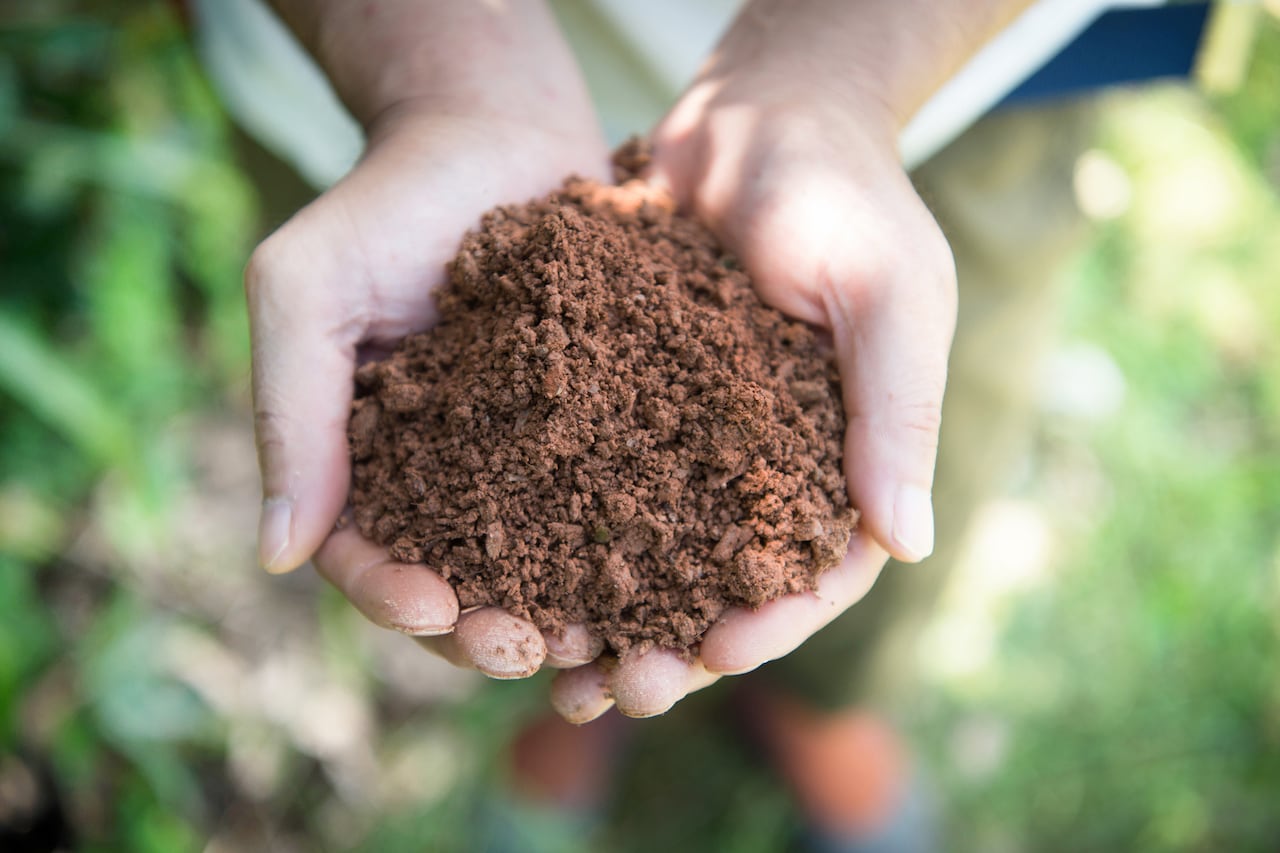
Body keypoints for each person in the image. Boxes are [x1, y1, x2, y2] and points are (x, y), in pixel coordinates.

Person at [226, 0, 1226, 848]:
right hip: (381, 69)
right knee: (498, 612)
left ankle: (820, 710)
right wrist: (434, 79)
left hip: (936, 70)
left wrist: (834, 81)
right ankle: (571, 716)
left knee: (896, 477)